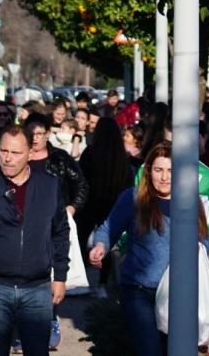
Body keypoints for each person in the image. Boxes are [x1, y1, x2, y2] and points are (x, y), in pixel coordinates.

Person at [89, 142, 209, 356]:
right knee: (149, 349)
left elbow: (205, 242)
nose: (164, 177)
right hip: (140, 292)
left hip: (178, 294)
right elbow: (109, 228)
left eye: (171, 170)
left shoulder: (190, 202)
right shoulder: (134, 198)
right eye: (158, 170)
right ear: (148, 171)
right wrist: (101, 246)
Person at [0, 125, 69, 356]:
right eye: (3, 151)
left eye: (16, 153)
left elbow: (60, 231)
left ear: (31, 152)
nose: (8, 158)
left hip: (38, 287)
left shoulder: (49, 185)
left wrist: (60, 276)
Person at [22, 113, 89, 349]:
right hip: (23, 225)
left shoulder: (59, 158)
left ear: (48, 133)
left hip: (53, 225)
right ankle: (26, 329)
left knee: (50, 275)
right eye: (32, 133)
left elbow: (81, 185)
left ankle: (49, 321)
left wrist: (70, 208)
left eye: (40, 133)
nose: (36, 138)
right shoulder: (18, 157)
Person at [75, 117, 133, 292]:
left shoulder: (90, 153)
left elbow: (80, 179)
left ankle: (80, 279)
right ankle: (102, 283)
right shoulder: (122, 157)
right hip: (112, 204)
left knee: (80, 239)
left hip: (89, 204)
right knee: (105, 242)